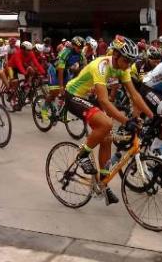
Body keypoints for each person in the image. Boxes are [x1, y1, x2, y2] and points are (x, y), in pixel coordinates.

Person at [65, 35, 153, 205]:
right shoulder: (101, 66)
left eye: (131, 61)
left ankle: (103, 184)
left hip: (90, 98)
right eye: (127, 60)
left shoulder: (123, 67)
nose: (128, 64)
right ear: (116, 55)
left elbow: (134, 94)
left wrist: (152, 116)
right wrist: (126, 121)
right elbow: (104, 100)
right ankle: (82, 155)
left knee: (107, 138)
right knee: (107, 123)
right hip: (74, 96)